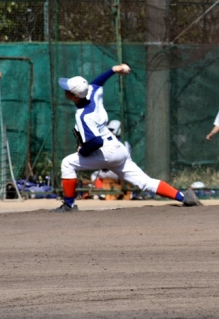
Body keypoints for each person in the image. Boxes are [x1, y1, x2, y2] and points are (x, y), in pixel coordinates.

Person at [55, 63, 201, 212]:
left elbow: (97, 141)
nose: (65, 91)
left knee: (67, 163)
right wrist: (113, 70)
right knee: (145, 182)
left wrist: (83, 151)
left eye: (67, 89)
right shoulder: (91, 95)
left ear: (75, 96)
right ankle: (184, 197)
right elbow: (96, 84)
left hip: (106, 152)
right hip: (119, 149)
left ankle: (69, 205)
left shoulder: (83, 116)